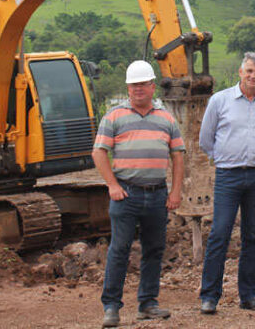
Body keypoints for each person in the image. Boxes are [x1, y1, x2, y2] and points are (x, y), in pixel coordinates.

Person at [92, 60, 185, 328]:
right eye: (134, 85)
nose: (138, 89)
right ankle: (111, 307)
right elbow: (99, 152)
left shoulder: (166, 118)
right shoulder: (114, 117)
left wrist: (175, 191)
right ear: (128, 88)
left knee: (154, 250)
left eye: (143, 84)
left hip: (157, 195)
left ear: (152, 86)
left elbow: (178, 155)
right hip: (126, 194)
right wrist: (112, 185)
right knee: (119, 250)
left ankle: (148, 303)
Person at [198, 52, 255, 314]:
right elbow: (205, 139)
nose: (253, 76)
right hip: (228, 176)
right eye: (249, 71)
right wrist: (221, 158)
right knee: (220, 233)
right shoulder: (220, 100)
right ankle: (209, 296)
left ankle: (249, 294)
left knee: (253, 235)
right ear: (240, 72)